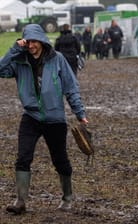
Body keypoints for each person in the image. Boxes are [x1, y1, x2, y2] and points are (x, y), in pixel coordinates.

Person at [0, 24, 88, 215]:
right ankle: (20, 201)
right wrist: (14, 49)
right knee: (23, 157)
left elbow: (71, 88)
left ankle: (67, 197)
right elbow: (0, 69)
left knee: (60, 160)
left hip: (54, 118)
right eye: (27, 41)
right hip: (30, 116)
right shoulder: (19, 60)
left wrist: (80, 113)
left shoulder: (58, 59)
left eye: (33, 41)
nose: (30, 45)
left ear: (41, 40)